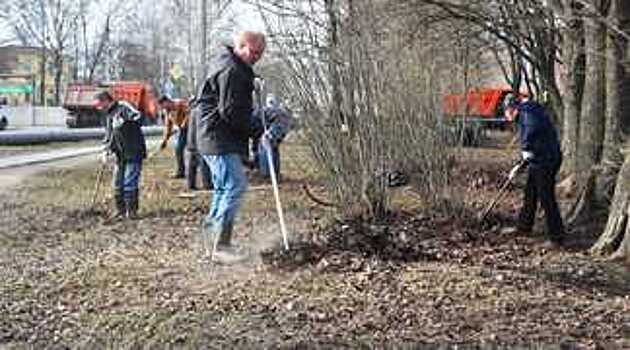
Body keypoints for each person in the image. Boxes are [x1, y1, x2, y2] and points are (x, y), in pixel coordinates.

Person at [196, 31, 266, 262]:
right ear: (241, 46)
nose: (257, 57)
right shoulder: (232, 71)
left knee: (223, 189)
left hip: (213, 137)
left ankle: (210, 242)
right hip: (218, 138)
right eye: (254, 52)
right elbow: (232, 112)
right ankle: (220, 246)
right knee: (235, 186)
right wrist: (256, 128)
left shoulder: (233, 67)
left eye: (260, 54)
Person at [504, 96, 565, 246]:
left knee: (546, 197)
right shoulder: (527, 112)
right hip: (539, 159)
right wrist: (519, 166)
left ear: (512, 109)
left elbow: (532, 130)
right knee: (530, 193)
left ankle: (557, 237)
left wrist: (525, 148)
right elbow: (530, 147)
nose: (506, 116)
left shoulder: (528, 112)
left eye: (505, 112)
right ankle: (524, 227)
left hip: (547, 160)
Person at [95, 91, 146, 219]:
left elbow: (139, 118)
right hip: (120, 154)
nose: (98, 108)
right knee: (117, 183)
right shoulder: (107, 115)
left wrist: (125, 121)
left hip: (133, 151)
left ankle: (132, 212)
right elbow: (108, 135)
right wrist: (105, 150)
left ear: (106, 100)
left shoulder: (123, 107)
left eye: (99, 104)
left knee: (129, 182)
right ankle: (120, 211)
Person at [158, 95, 189, 178]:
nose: (163, 108)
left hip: (191, 128)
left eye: (163, 105)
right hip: (182, 130)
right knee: (178, 150)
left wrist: (184, 122)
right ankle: (181, 172)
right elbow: (168, 126)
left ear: (167, 102)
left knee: (194, 151)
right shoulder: (167, 111)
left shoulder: (180, 104)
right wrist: (165, 141)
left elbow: (189, 113)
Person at [186, 96, 213, 191]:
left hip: (190, 141)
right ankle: (207, 184)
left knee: (191, 165)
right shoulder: (201, 110)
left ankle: (190, 184)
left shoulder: (192, 112)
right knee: (204, 165)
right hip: (199, 142)